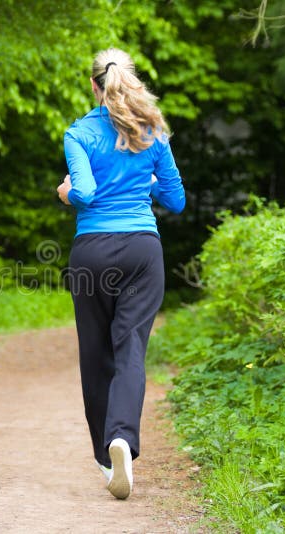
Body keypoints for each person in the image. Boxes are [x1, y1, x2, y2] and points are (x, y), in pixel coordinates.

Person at [57, 48, 185, 500]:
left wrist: (67, 191)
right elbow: (176, 201)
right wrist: (146, 183)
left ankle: (101, 455)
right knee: (130, 348)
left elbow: (87, 193)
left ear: (94, 85)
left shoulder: (79, 132)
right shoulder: (153, 131)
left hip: (92, 253)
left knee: (95, 353)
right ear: (131, 80)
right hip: (142, 251)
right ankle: (122, 439)